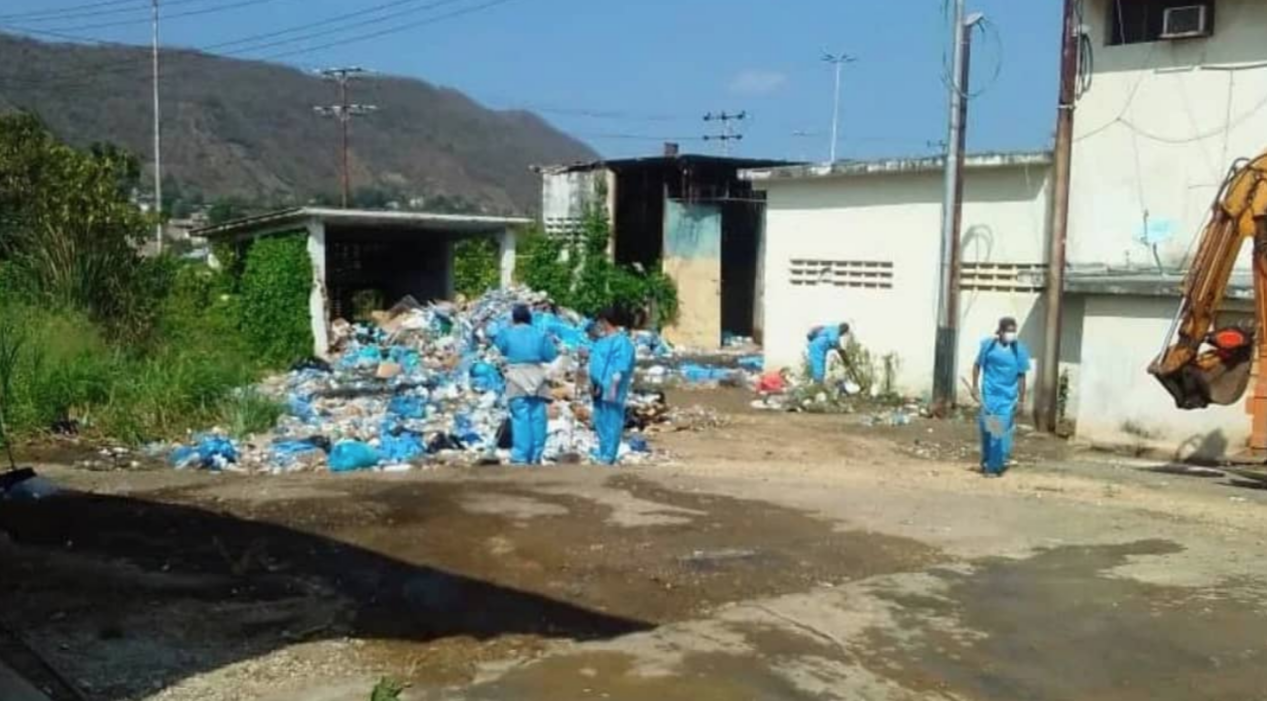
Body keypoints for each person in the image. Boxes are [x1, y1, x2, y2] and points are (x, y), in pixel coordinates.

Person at [494, 304, 558, 465]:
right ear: (530, 318)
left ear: (514, 318)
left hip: (516, 377)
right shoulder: (540, 334)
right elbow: (550, 355)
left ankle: (521, 456)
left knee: (520, 417)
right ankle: (536, 455)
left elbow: (500, 348)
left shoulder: (506, 333)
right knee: (538, 416)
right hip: (537, 377)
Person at [971, 316, 1031, 477]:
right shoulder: (988, 346)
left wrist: (1021, 399)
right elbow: (977, 366)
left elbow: (1021, 376)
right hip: (990, 395)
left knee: (999, 432)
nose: (1011, 334)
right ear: (1000, 331)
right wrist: (974, 386)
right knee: (988, 430)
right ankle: (988, 461)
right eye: (1008, 331)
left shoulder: (1019, 350)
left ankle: (994, 466)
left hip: (1007, 398)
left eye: (1013, 331)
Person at [587, 308, 636, 465]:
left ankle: (609, 455)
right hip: (598, 385)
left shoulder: (621, 341)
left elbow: (622, 364)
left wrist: (615, 380)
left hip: (612, 384)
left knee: (612, 420)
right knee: (600, 419)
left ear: (605, 322)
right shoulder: (601, 341)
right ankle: (603, 452)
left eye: (600, 322)